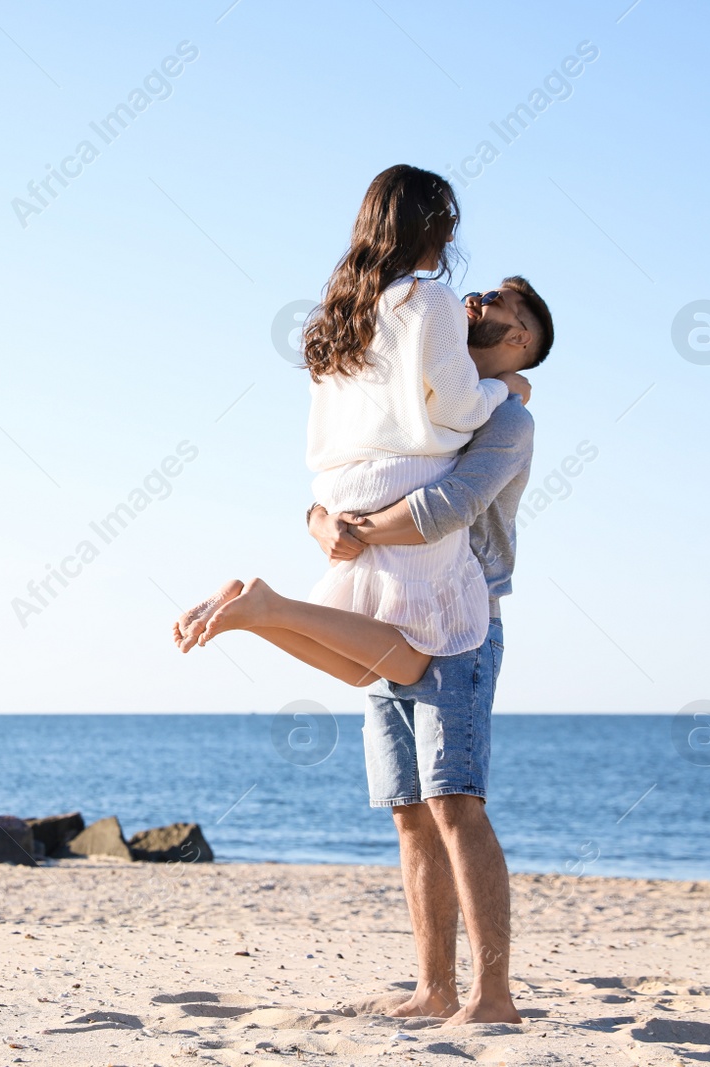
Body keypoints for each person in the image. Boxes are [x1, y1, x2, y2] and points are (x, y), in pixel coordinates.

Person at [173, 164, 527, 689]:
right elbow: (461, 409)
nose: (453, 233)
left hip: (342, 490)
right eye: (449, 219)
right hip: (406, 482)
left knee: (364, 669)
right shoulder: (429, 300)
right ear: (427, 225)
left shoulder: (341, 314)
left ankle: (256, 611)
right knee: (419, 653)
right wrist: (506, 389)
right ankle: (270, 603)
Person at [311, 276, 551, 1025]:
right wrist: (320, 517)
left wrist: (353, 530)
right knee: (410, 811)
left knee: (456, 802)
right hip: (387, 607)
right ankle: (434, 986)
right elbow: (350, 466)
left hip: (462, 624)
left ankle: (494, 994)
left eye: (504, 301)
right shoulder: (419, 397)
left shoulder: (507, 420)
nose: (479, 295)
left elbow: (447, 509)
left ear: (521, 342)